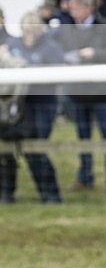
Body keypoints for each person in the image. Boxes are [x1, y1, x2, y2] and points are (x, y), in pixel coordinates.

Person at [58, 0, 106, 192]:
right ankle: (85, 177)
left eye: (77, 8)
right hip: (78, 90)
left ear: (88, 8)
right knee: (82, 135)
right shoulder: (67, 29)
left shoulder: (105, 26)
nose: (74, 12)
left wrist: (94, 53)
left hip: (102, 90)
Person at [6, 12, 64, 203]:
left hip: (43, 104)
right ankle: (17, 192)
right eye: (26, 32)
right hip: (20, 106)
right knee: (21, 149)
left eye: (33, 32)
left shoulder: (51, 48)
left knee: (37, 148)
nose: (29, 36)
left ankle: (51, 194)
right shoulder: (14, 45)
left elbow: (58, 74)